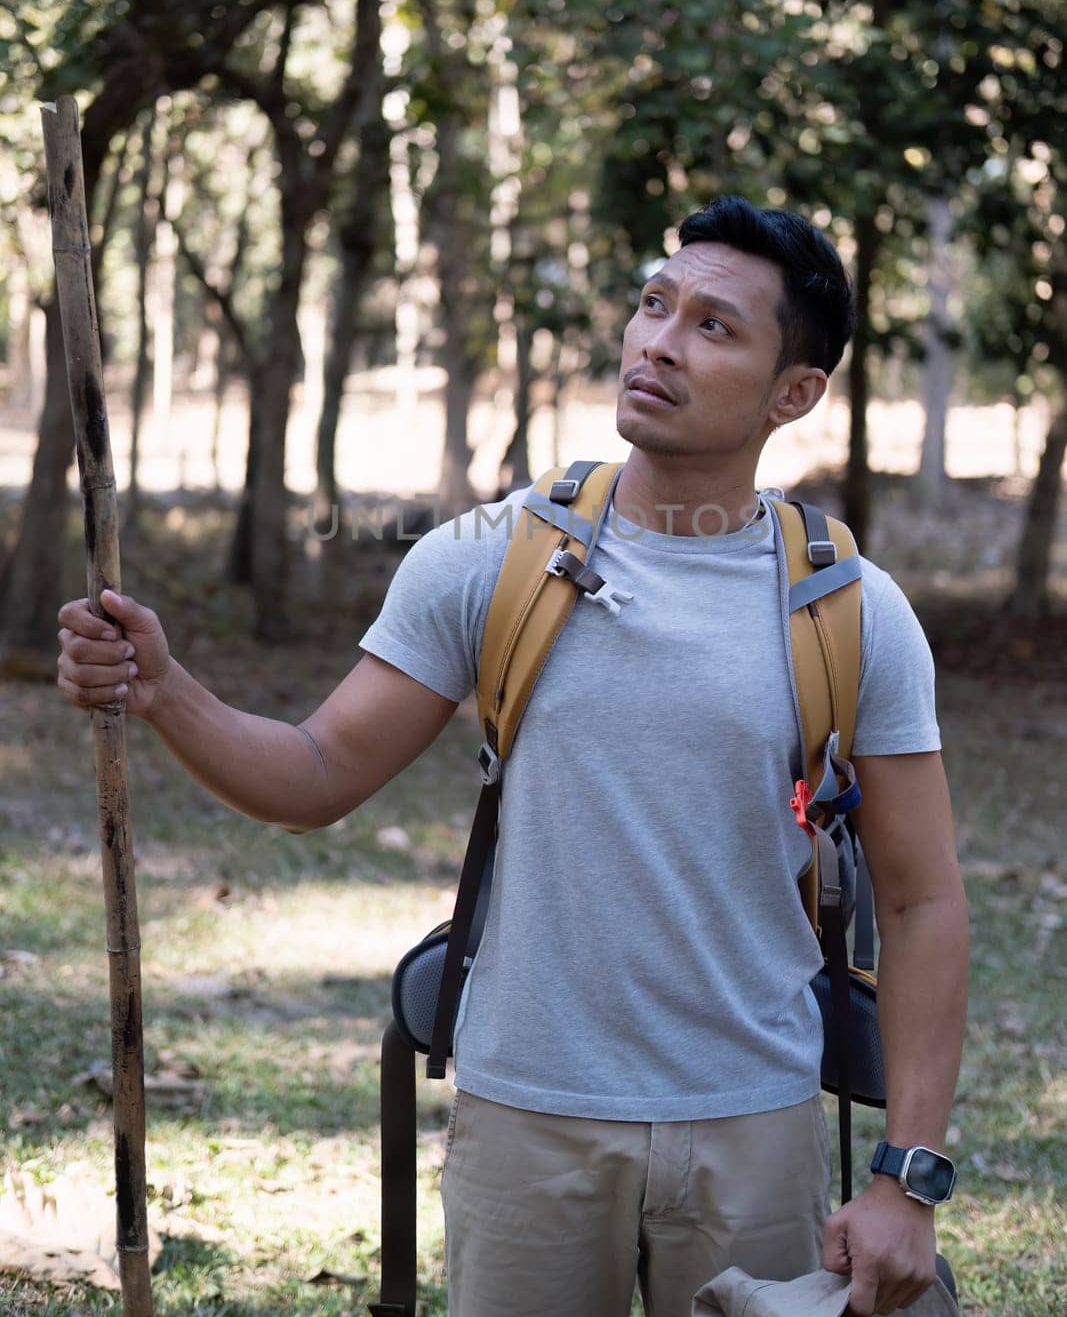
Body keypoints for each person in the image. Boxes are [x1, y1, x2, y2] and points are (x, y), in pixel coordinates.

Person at [57, 196, 969, 1317]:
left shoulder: (848, 610)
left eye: (711, 326)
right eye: (652, 304)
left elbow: (923, 900)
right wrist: (164, 691)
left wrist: (906, 1176)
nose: (657, 342)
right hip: (523, 1118)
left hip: (754, 1120)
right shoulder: (489, 560)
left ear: (794, 392)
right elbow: (311, 773)